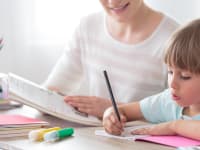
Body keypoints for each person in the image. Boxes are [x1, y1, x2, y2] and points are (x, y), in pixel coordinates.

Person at [44, 0, 179, 119]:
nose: (113, 2)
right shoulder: (87, 26)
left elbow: (183, 112)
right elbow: (55, 87)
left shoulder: (175, 38)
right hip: (96, 137)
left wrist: (117, 109)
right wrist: (43, 100)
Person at [103, 19, 200, 140]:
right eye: (170, 72)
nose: (172, 84)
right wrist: (110, 116)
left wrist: (174, 126)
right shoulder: (168, 101)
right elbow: (123, 111)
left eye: (185, 76)